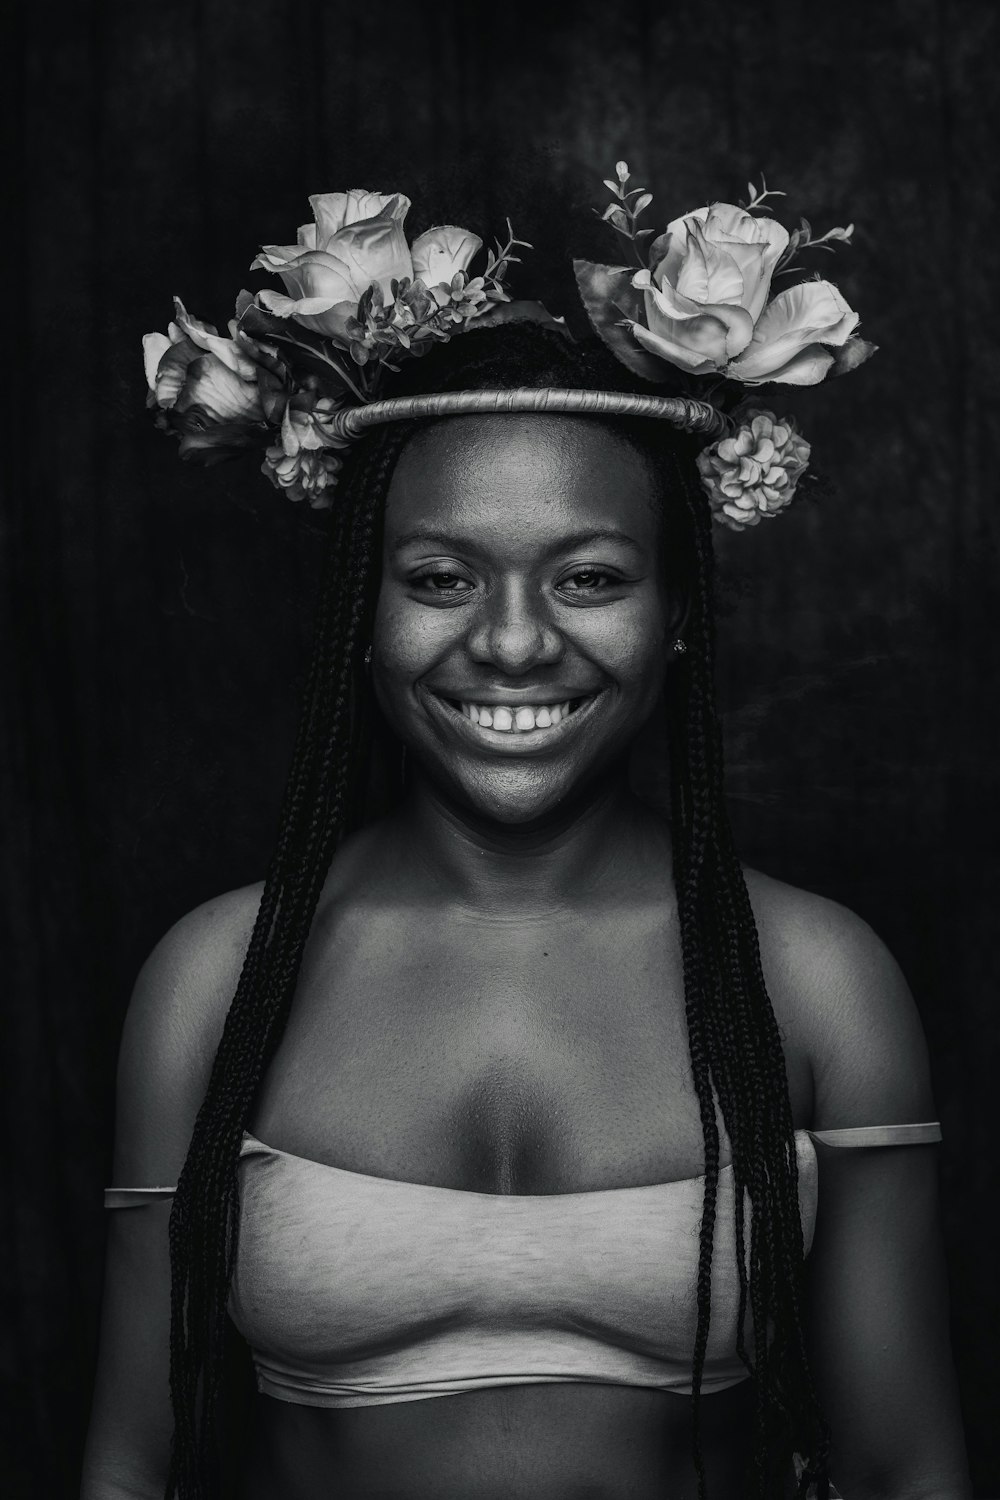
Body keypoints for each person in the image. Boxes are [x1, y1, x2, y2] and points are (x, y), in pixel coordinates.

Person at [81, 176, 973, 1500]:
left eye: (589, 578)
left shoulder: (815, 980)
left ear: (679, 612)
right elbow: (126, 1468)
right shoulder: (216, 978)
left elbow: (907, 1467)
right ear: (364, 614)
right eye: (440, 577)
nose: (509, 640)